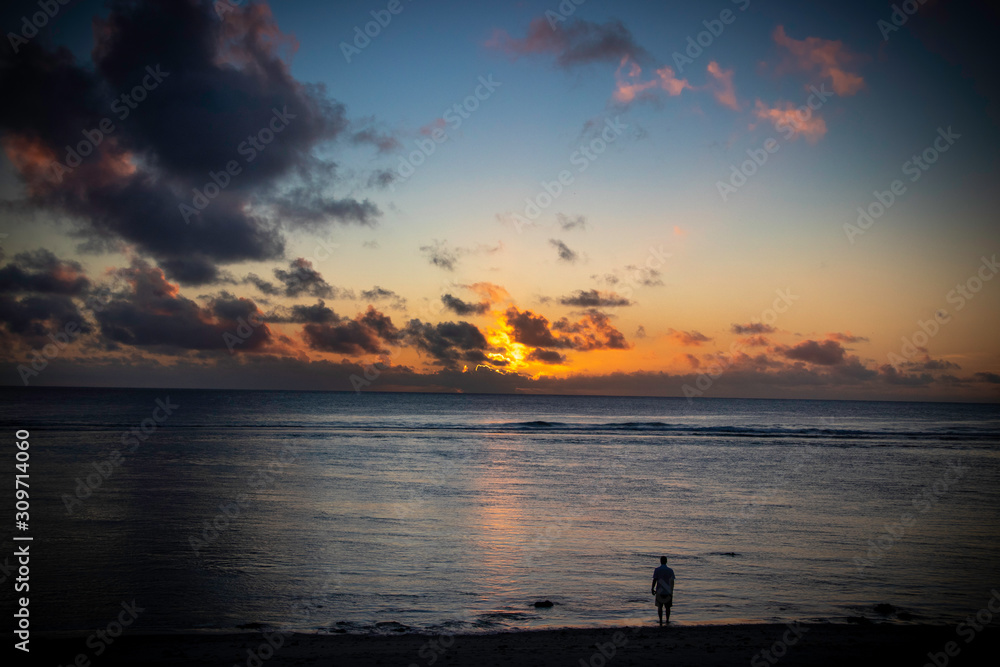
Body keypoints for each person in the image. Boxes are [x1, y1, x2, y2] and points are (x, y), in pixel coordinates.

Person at [651, 555, 675, 626]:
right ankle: (667, 620)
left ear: (660, 561)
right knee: (668, 607)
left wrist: (652, 588)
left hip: (659, 591)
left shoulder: (657, 570)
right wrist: (671, 591)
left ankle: (660, 620)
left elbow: (654, 580)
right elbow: (672, 581)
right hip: (668, 591)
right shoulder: (670, 570)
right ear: (666, 561)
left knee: (660, 607)